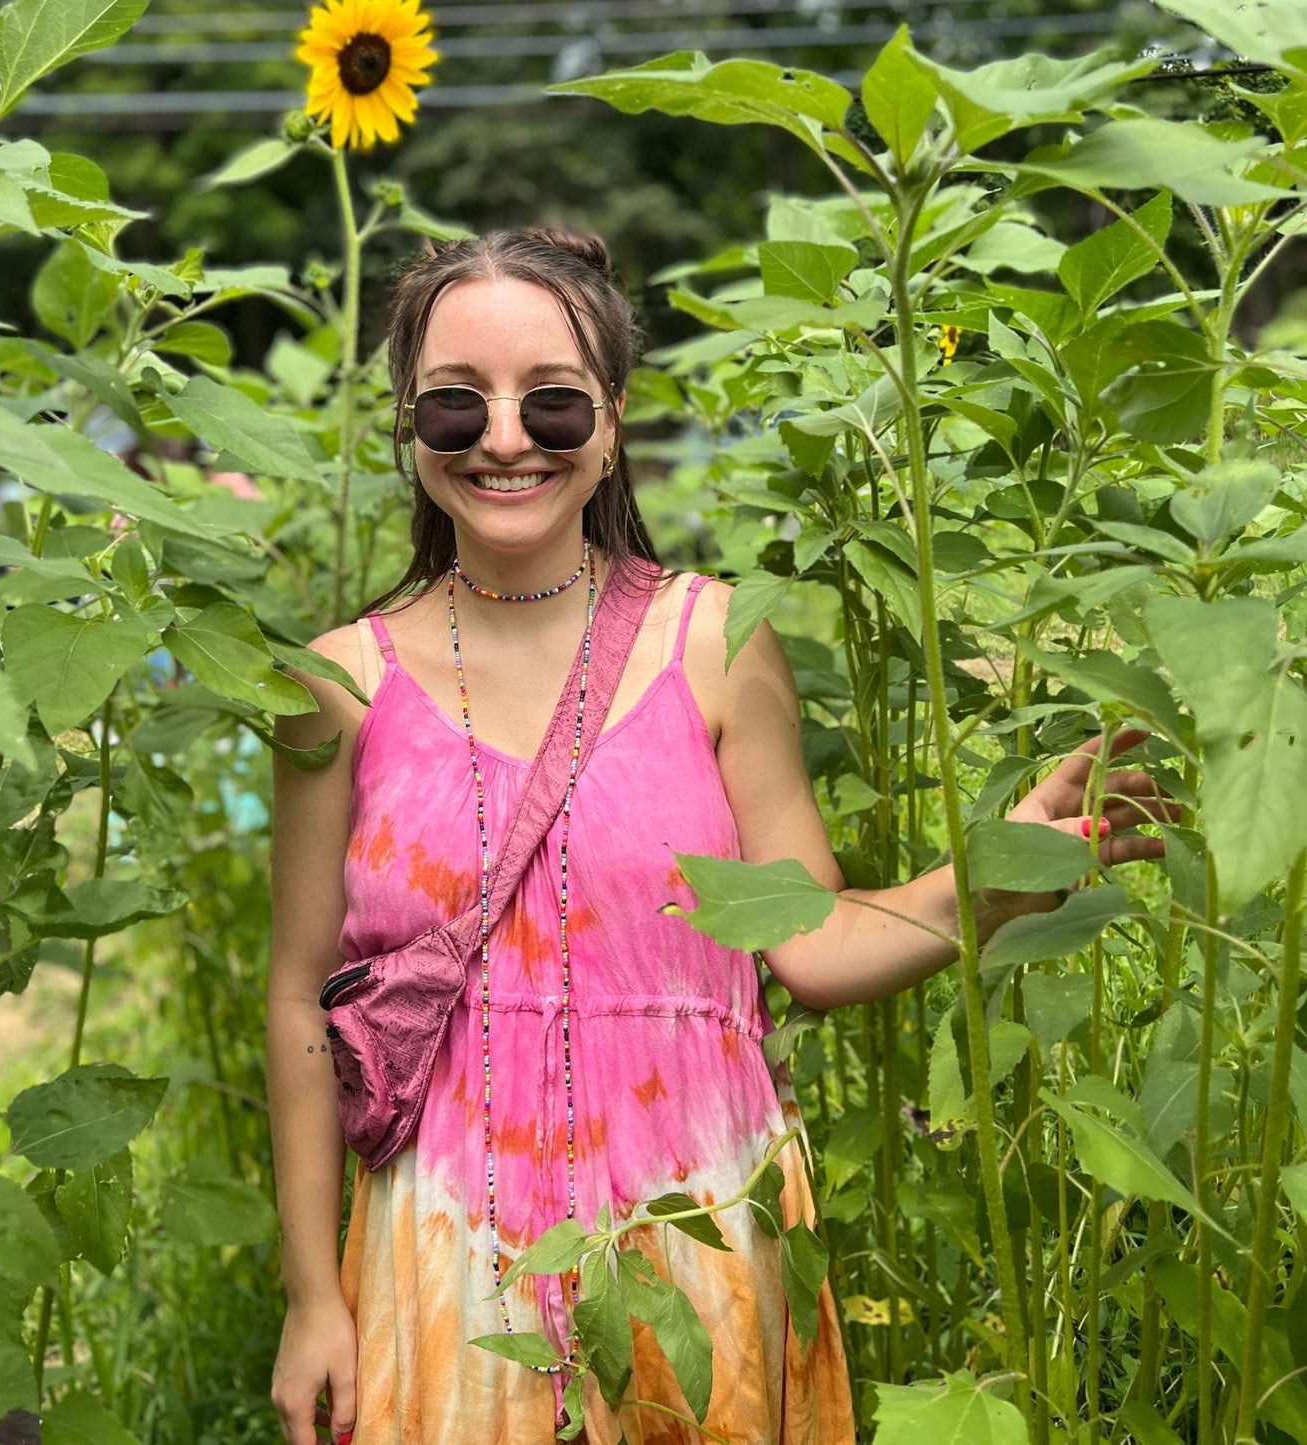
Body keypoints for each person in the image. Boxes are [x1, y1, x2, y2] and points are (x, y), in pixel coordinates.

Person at [266, 228, 1174, 1444]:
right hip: (443, 1251)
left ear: (613, 418)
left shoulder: (712, 643)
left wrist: (998, 872)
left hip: (697, 1220)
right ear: (404, 423)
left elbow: (810, 939)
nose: (501, 436)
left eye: (549, 399)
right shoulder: (337, 685)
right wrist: (311, 1298)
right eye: (452, 402)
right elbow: (294, 1002)